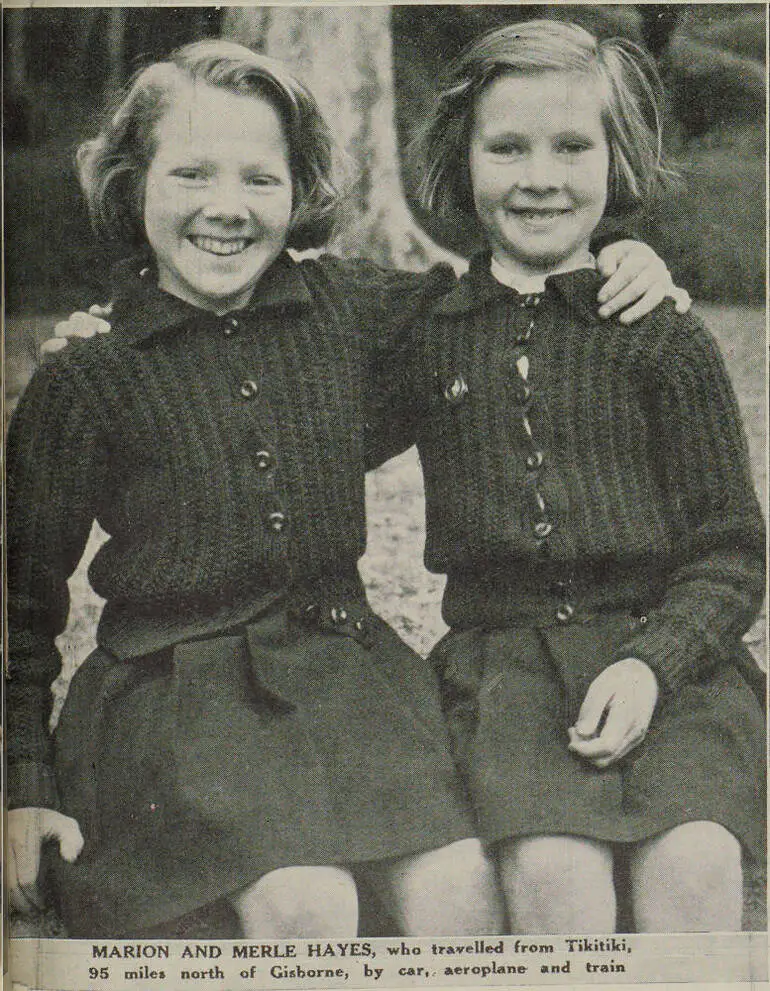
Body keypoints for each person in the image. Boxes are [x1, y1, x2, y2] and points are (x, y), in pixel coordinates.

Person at [9, 38, 686, 938]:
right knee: (309, 903)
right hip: (174, 704)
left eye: (261, 178)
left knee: (460, 893)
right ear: (134, 184)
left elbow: (508, 293)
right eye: (191, 175)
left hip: (347, 679)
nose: (226, 208)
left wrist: (622, 254)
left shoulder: (353, 312)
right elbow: (18, 606)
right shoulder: (90, 372)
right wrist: (20, 788)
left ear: (300, 192)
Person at [398, 19, 764, 933]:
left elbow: (732, 554)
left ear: (618, 156)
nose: (540, 177)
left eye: (572, 146)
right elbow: (283, 382)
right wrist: (103, 333)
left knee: (696, 856)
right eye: (507, 147)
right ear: (462, 155)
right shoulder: (427, 330)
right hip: (507, 675)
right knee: (550, 865)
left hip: (670, 667)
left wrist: (655, 663)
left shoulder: (660, 334)